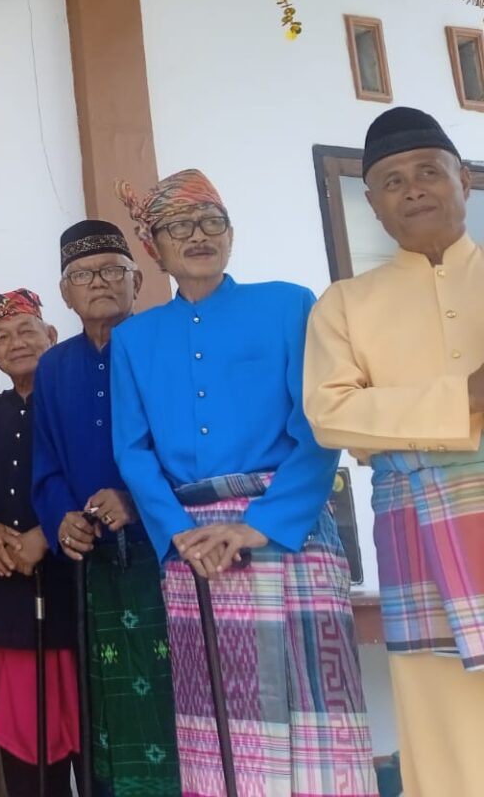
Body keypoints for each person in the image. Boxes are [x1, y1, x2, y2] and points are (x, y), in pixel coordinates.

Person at [112, 169, 376, 797]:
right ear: (154, 247)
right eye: (179, 226)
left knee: (314, 708)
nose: (198, 236)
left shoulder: (289, 304)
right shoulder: (133, 338)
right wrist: (180, 535)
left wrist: (259, 525)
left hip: (286, 532)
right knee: (220, 725)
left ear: (231, 234)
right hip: (194, 548)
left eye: (212, 222)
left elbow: (318, 423)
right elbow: (133, 451)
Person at [304, 107, 484, 796]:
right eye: (392, 182)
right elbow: (331, 414)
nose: (413, 190)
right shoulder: (345, 304)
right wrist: (463, 396)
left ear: (462, 180)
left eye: (429, 173)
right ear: (373, 206)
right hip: (420, 529)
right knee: (442, 718)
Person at [31, 220, 180, 796]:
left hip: (164, 552)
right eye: (82, 275)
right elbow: (45, 462)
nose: (98, 283)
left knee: (172, 690)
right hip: (90, 563)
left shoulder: (163, 346)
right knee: (106, 698)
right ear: (66, 293)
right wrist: (61, 515)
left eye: (112, 270)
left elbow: (189, 446)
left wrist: (137, 501)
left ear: (137, 280)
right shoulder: (54, 366)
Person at [0, 289, 78, 797]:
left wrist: (47, 533)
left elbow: (94, 475)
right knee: (19, 729)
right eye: (2, 337)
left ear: (51, 336)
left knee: (79, 726)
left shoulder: (76, 404)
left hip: (70, 582)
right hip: (6, 589)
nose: (16, 343)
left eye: (27, 330)